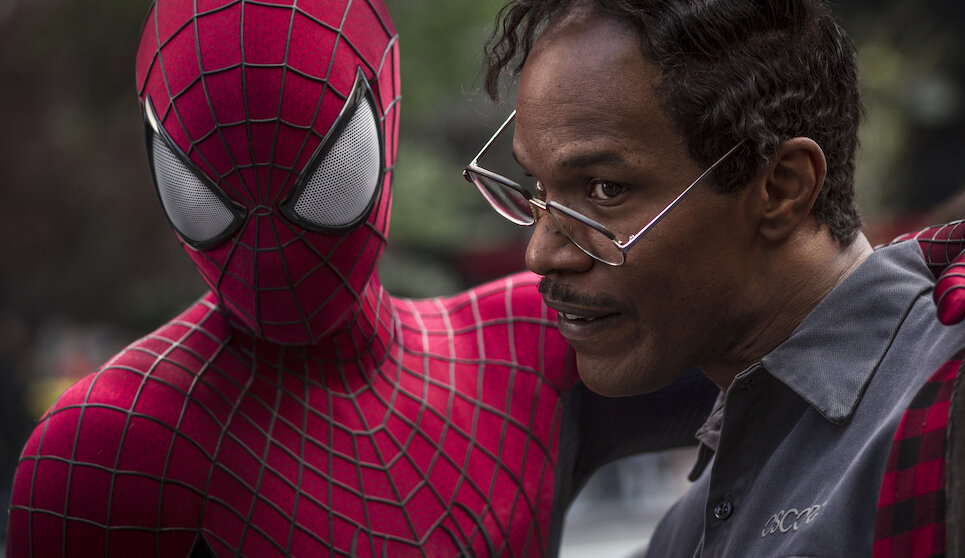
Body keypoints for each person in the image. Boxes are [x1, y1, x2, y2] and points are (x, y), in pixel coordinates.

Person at [5, 1, 719, 556]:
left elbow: (775, 346)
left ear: (385, 105)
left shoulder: (533, 344)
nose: (272, 249)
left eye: (322, 182)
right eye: (208, 199)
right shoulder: (114, 444)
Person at [463, 0, 965, 555]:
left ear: (782, 188)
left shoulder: (960, 397)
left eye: (605, 190)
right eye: (539, 191)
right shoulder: (686, 530)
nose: (541, 253)